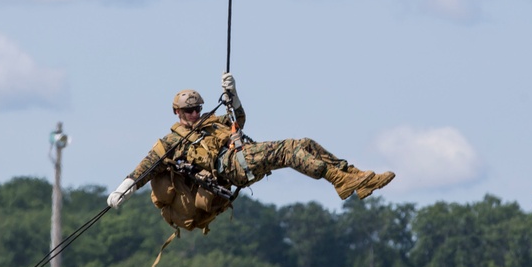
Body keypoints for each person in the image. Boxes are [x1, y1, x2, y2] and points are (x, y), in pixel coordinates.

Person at [107, 73, 395, 236]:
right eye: (188, 111)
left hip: (240, 157)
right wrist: (125, 187)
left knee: (304, 143)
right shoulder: (171, 142)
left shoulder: (211, 122)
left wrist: (234, 96)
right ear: (177, 112)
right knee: (288, 151)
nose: (194, 114)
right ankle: (340, 181)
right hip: (230, 166)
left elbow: (239, 120)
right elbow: (145, 167)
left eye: (197, 109)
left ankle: (355, 176)